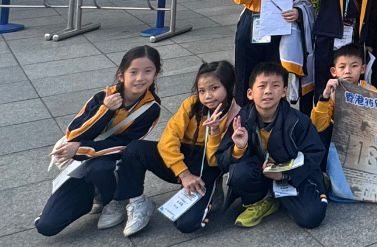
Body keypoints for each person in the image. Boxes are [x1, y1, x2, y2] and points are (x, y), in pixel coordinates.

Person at [36, 46, 163, 236]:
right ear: (121, 75)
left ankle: (114, 199)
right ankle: (96, 195)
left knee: (100, 167)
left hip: (111, 161)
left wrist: (81, 149)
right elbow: (73, 133)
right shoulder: (102, 96)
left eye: (148, 71)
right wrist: (105, 110)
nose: (140, 78)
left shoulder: (151, 108)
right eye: (133, 72)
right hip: (80, 167)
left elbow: (124, 145)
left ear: (155, 74)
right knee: (46, 226)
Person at [111, 61, 236, 236]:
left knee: (187, 224)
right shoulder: (191, 104)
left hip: (206, 164)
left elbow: (215, 160)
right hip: (183, 158)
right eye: (202, 90)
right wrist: (183, 174)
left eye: (214, 88)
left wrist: (215, 132)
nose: (208, 96)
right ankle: (138, 202)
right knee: (135, 149)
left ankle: (213, 191)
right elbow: (167, 140)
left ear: (229, 86)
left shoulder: (235, 113)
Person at [217, 63, 326, 230]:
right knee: (239, 172)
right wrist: (240, 148)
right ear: (250, 93)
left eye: (275, 86)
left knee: (311, 217)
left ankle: (283, 194)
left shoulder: (298, 121)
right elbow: (221, 159)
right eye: (262, 86)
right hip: (258, 175)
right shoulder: (242, 120)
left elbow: (315, 153)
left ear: (284, 91)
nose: (268, 91)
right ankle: (261, 200)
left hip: (290, 177)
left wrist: (284, 175)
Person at [310, 44, 372, 145]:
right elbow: (318, 126)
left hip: (363, 140)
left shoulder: (370, 91)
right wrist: (325, 97)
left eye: (354, 66)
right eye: (342, 67)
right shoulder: (332, 92)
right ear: (334, 71)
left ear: (363, 69)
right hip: (338, 140)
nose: (347, 71)